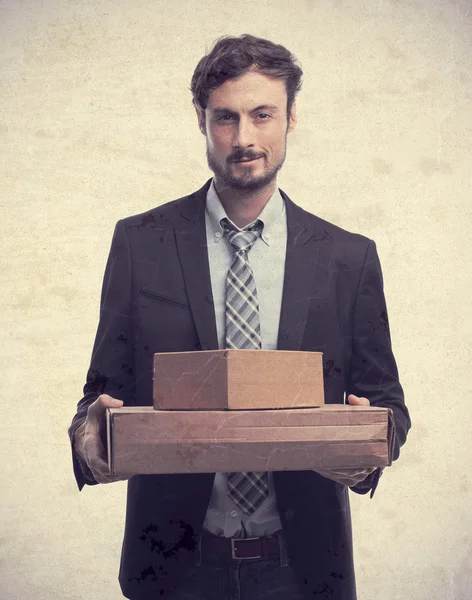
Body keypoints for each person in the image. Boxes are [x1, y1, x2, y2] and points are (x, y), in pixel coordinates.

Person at [68, 34, 411, 600]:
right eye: (225, 118)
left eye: (262, 115)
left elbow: (389, 406)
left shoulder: (348, 258)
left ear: (291, 116)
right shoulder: (140, 243)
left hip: (302, 570)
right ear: (201, 120)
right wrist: (88, 438)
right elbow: (100, 395)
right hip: (175, 568)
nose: (244, 137)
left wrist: (370, 446)